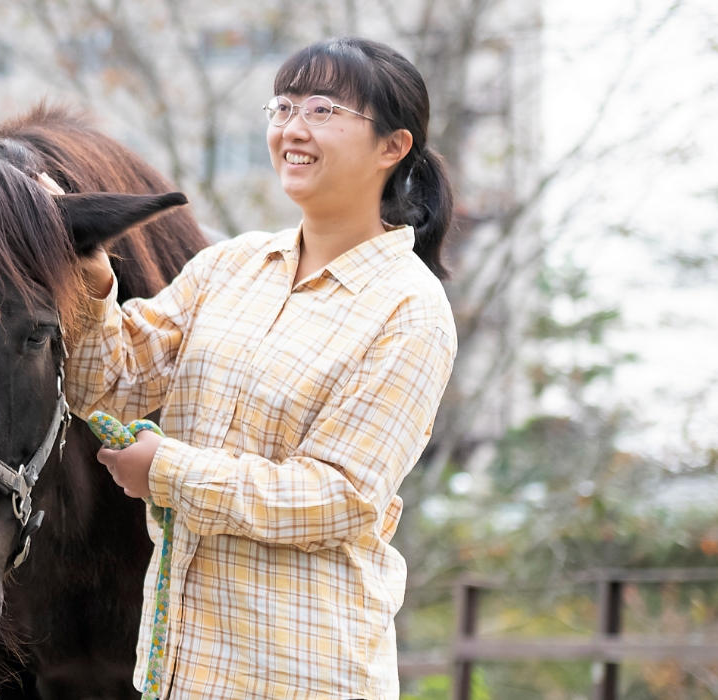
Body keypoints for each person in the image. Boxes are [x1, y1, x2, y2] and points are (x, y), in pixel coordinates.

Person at [61, 36, 459, 699]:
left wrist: (168, 471)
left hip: (305, 677)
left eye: (325, 110)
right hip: (179, 675)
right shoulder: (229, 266)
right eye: (282, 106)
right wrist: (95, 281)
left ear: (394, 147)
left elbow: (336, 498)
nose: (293, 130)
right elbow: (106, 383)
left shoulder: (410, 312)